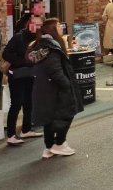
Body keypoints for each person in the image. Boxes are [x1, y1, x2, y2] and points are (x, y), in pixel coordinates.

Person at [29, 18, 84, 159]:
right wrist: (66, 84)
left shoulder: (41, 44)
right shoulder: (51, 47)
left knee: (50, 117)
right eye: (59, 25)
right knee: (67, 113)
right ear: (53, 29)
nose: (61, 27)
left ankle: (49, 147)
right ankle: (59, 143)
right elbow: (55, 69)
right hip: (55, 88)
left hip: (45, 87)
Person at [2, 15, 43, 145]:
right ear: (28, 24)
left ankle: (26, 129)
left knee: (29, 102)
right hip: (17, 75)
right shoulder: (18, 37)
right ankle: (11, 134)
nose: (35, 27)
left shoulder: (38, 40)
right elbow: (6, 54)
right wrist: (23, 61)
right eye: (33, 24)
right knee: (16, 103)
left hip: (30, 74)